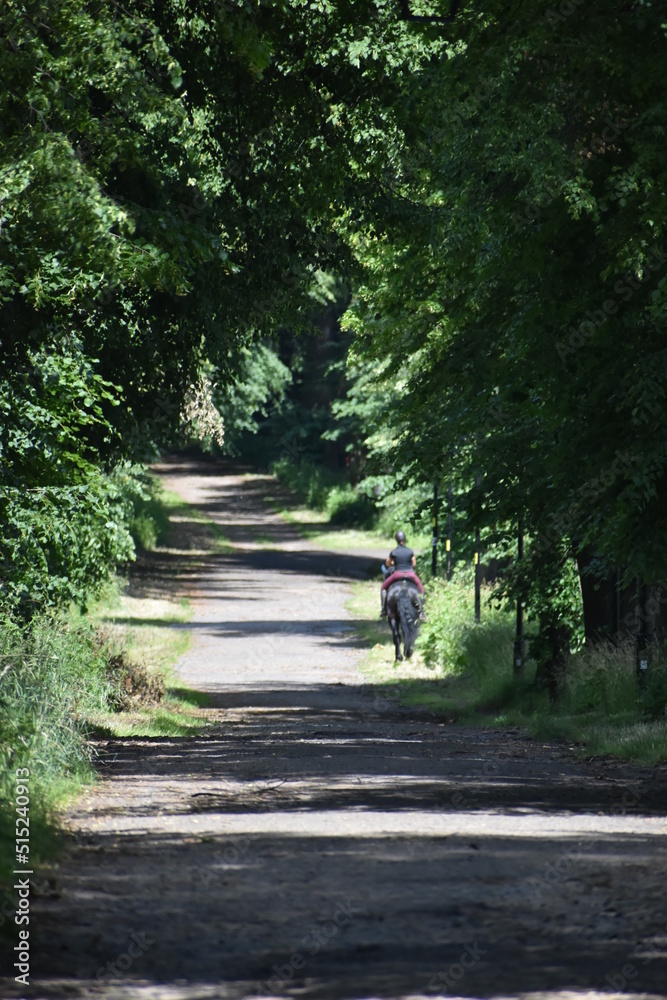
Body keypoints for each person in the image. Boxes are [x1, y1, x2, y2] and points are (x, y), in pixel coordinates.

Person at [379, 530, 424, 617]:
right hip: (410, 574)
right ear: (405, 539)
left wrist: (394, 563)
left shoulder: (394, 552)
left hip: (397, 574)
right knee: (421, 588)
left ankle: (384, 609)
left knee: (384, 587)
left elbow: (387, 564)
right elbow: (414, 564)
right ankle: (421, 611)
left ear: (396, 540)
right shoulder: (410, 551)